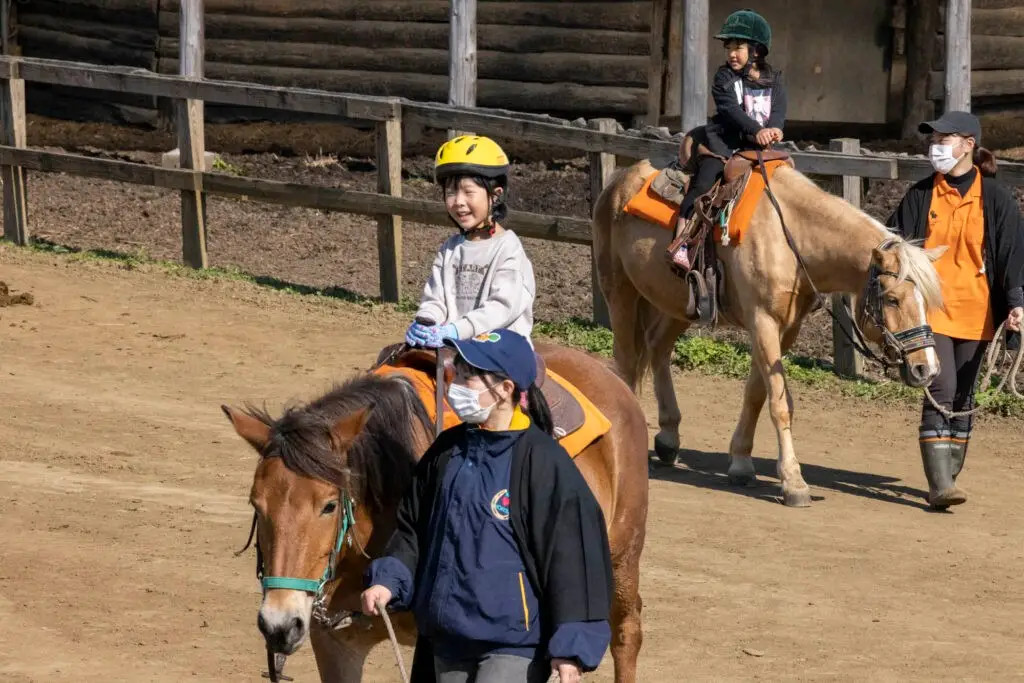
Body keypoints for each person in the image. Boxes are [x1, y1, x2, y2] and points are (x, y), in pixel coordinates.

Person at [361, 329, 613, 683]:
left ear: (505, 390)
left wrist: (571, 649)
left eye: (468, 375)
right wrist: (388, 580)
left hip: (513, 645)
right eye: (458, 372)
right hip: (447, 641)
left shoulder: (544, 463)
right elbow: (412, 529)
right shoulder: (445, 451)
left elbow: (574, 560)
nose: (456, 383)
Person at [887, 110, 1024, 510]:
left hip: (978, 312)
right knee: (941, 389)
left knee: (965, 396)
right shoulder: (920, 195)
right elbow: (892, 247)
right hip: (932, 312)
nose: (936, 147)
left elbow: (1013, 257)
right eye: (933, 140)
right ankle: (940, 485)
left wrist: (1017, 306)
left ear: (968, 145)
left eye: (944, 139)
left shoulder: (996, 199)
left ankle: (949, 475)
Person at [669, 9, 787, 269]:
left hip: (757, 148)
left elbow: (778, 110)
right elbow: (730, 110)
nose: (732, 54)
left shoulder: (774, 81)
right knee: (704, 183)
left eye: (739, 47)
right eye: (729, 48)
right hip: (723, 144)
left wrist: (776, 128)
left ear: (756, 50)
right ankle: (682, 242)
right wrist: (757, 130)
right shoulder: (724, 77)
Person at [405, 136, 537, 349]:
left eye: (468, 192)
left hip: (499, 346)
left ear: (495, 196)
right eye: (450, 192)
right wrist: (426, 321)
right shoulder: (450, 248)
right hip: (454, 344)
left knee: (471, 383)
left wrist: (456, 330)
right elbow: (435, 297)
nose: (458, 202)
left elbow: (502, 308)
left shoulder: (508, 249)